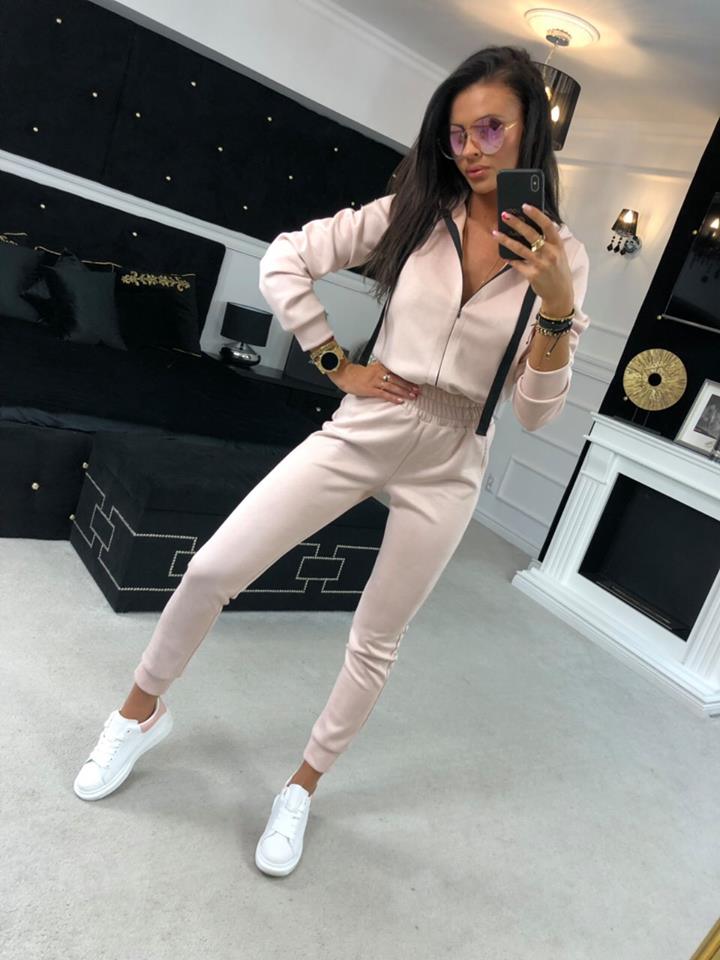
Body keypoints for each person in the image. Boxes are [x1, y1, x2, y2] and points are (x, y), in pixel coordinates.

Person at [73, 45, 590, 878]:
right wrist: (334, 361)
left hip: (453, 459)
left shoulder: (562, 259)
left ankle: (302, 787)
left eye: (493, 128)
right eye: (458, 133)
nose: (472, 149)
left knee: (375, 639)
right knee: (212, 568)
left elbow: (535, 412)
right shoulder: (414, 211)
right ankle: (138, 715)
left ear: (532, 131)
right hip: (369, 420)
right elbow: (286, 257)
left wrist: (558, 309)